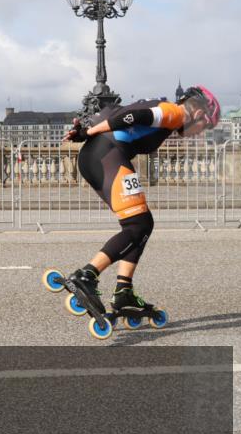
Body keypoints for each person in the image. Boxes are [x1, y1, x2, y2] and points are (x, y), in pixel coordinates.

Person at [60, 85, 222, 322]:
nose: (199, 133)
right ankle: (86, 275)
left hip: (99, 157)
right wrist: (91, 130)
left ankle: (124, 290)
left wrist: (86, 133)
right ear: (198, 114)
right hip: (108, 156)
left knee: (141, 224)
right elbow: (132, 117)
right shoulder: (175, 113)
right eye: (205, 127)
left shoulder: (164, 108)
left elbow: (117, 112)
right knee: (138, 225)